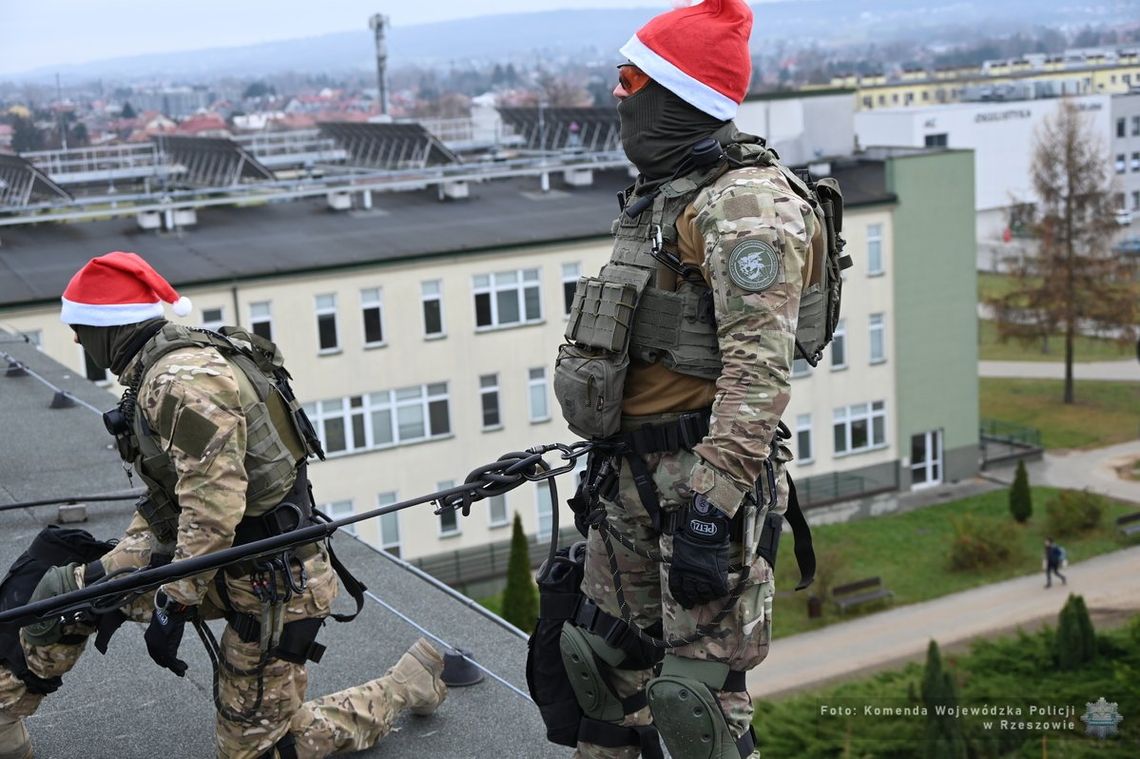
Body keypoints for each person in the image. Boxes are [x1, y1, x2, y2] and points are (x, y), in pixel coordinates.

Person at [0, 252, 447, 759]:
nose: (77, 340)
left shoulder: (180, 383)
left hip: (273, 581)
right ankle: (3, 720)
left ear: (111, 328)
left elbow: (214, 507)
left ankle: (405, 685)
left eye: (81, 327)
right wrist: (118, 565)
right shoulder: (161, 368)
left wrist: (174, 600)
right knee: (64, 594)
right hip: (224, 551)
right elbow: (178, 497)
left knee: (253, 752)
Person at [549, 2, 823, 757]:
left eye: (631, 79)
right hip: (627, 478)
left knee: (695, 703)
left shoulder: (744, 206)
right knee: (603, 670)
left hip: (703, 483)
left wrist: (714, 504)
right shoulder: (661, 197)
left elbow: (759, 371)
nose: (618, 95)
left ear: (677, 94)